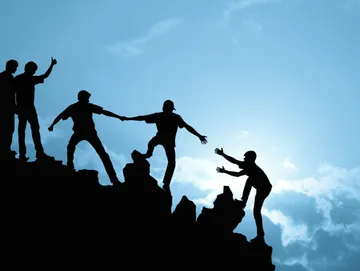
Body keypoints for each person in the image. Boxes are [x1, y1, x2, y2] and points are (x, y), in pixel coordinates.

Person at [120, 100, 207, 192]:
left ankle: (165, 181)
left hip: (164, 140)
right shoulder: (166, 116)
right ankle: (151, 158)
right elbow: (142, 117)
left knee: (168, 158)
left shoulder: (169, 117)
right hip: (165, 139)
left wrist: (199, 136)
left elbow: (187, 127)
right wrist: (128, 118)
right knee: (163, 154)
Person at [48, 90, 122, 186]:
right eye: (87, 98)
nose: (88, 100)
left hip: (89, 132)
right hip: (82, 132)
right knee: (71, 146)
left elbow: (104, 112)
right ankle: (70, 166)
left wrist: (118, 116)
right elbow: (61, 116)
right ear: (82, 98)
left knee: (102, 154)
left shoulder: (80, 106)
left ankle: (114, 179)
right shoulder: (78, 107)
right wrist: (52, 124)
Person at [215, 148, 272, 243]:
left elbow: (234, 161)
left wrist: (222, 154)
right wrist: (225, 171)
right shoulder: (248, 168)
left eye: (246, 158)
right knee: (256, 212)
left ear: (251, 159)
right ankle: (260, 235)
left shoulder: (250, 166)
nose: (244, 159)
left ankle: (243, 201)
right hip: (262, 189)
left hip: (264, 188)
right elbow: (237, 174)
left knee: (249, 180)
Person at [14, 57, 57, 161]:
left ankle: (34, 153)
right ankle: (30, 154)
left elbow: (45, 76)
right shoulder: (23, 79)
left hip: (26, 108)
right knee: (26, 131)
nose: (34, 72)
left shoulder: (23, 78)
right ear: (30, 69)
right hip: (25, 108)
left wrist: (51, 65)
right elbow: (12, 93)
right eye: (34, 70)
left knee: (28, 131)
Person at [0, 59, 18, 160]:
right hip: (5, 108)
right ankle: (4, 150)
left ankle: (6, 149)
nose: (16, 69)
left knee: (9, 129)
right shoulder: (4, 78)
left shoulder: (10, 78)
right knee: (6, 129)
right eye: (15, 67)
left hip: (9, 108)